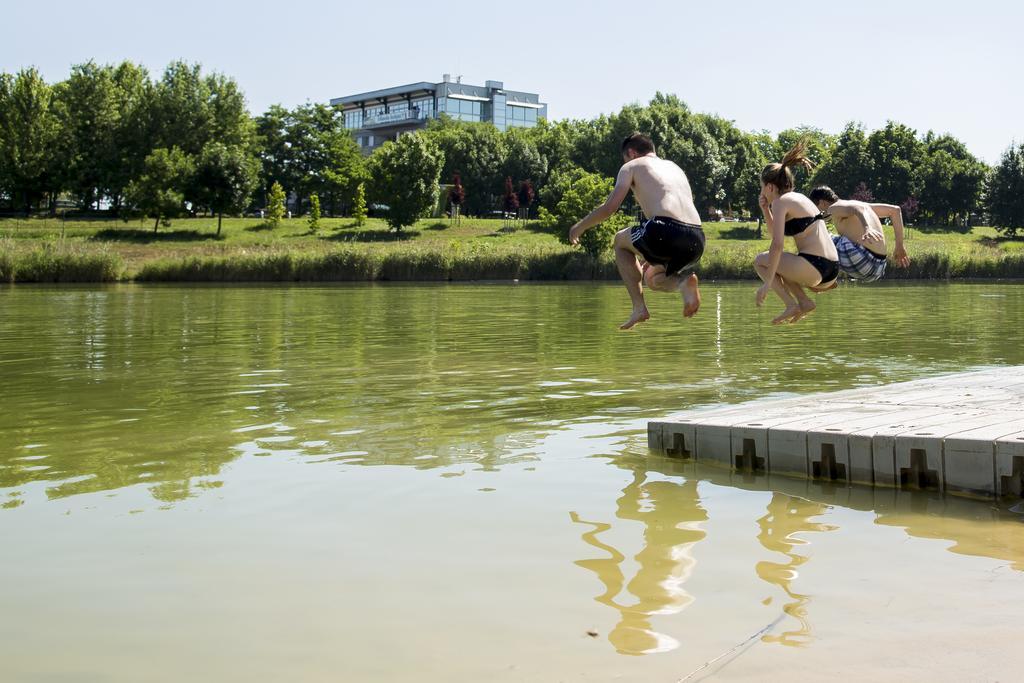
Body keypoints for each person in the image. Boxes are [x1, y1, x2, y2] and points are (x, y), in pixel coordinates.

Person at [568, 133, 704, 329]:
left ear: (631, 153)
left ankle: (639, 308)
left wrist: (579, 227)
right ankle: (683, 282)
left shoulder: (631, 166)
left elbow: (610, 207)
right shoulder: (675, 168)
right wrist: (649, 253)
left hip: (665, 230)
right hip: (697, 239)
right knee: (653, 279)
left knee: (619, 241)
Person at [755, 142, 839, 324]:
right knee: (778, 263)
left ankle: (791, 304)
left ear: (770, 187)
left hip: (814, 266)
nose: (761, 192)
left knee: (760, 262)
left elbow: (777, 245)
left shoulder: (781, 202)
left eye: (762, 187)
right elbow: (774, 232)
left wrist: (767, 283)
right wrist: (765, 209)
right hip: (831, 270)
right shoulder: (798, 199)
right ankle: (803, 302)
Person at [808, 186, 910, 284]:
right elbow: (895, 211)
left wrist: (867, 227)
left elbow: (856, 209)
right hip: (879, 267)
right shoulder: (864, 206)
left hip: (863, 260)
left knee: (817, 235)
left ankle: (821, 279)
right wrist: (899, 246)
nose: (817, 213)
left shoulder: (833, 207)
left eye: (815, 208)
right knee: (833, 239)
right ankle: (827, 278)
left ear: (822, 202)